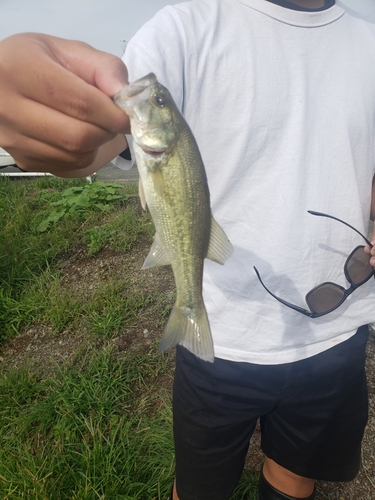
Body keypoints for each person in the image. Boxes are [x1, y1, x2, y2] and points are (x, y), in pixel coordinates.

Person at [1, 0, 375, 499]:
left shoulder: (368, 41)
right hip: (221, 332)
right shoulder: (184, 30)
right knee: (200, 487)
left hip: (338, 332)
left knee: (295, 476)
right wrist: (44, 110)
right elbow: (102, 136)